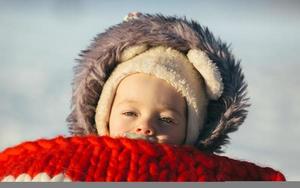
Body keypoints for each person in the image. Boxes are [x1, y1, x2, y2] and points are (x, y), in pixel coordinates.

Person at [67, 12, 249, 153]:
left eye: (166, 119)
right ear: (104, 116)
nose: (145, 127)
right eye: (130, 113)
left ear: (192, 131)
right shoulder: (75, 169)